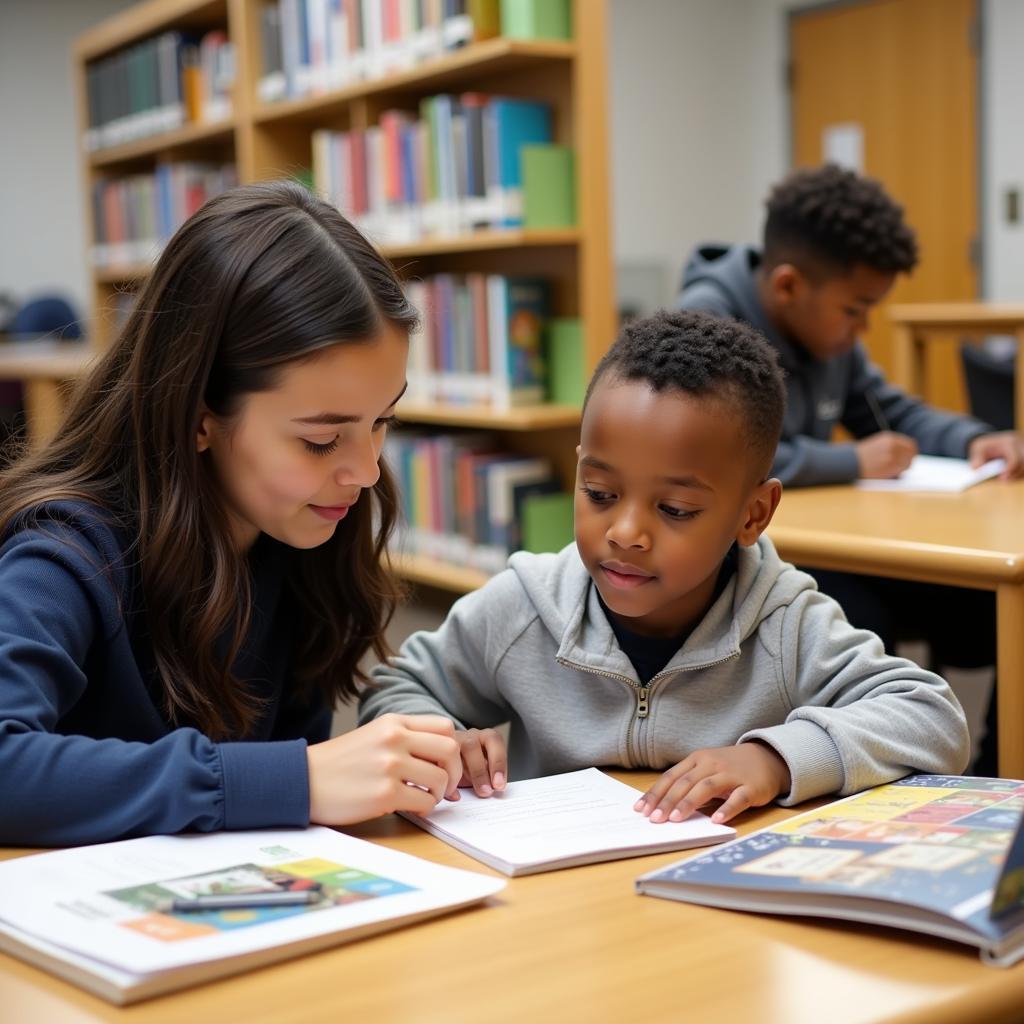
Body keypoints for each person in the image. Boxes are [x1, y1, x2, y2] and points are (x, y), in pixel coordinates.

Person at [359, 310, 970, 824]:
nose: (625, 533)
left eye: (674, 509)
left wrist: (777, 759)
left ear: (753, 515)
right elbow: (394, 687)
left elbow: (931, 717)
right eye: (599, 494)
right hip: (559, 913)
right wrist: (439, 737)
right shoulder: (523, 607)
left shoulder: (787, 625)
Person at [0, 180, 462, 847]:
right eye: (320, 439)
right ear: (198, 418)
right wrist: (288, 780)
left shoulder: (300, 534)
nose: (365, 472)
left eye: (383, 421)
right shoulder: (64, 555)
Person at [676, 164, 1024, 774]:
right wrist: (849, 460)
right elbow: (704, 460)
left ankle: (995, 778)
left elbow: (889, 411)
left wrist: (976, 438)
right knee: (859, 621)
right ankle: (858, 779)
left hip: (833, 543)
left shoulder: (830, 338)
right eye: (856, 310)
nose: (863, 328)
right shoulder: (708, 324)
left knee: (989, 605)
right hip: (758, 557)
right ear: (787, 286)